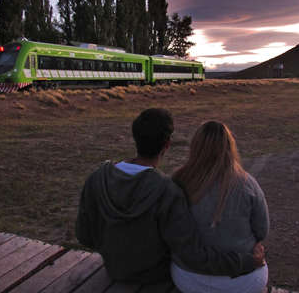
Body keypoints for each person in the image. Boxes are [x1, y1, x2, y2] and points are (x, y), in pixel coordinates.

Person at [76, 109, 264, 284]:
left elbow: (83, 236)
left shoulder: (97, 178)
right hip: (156, 277)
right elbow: (192, 255)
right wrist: (246, 261)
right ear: (167, 145)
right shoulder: (167, 191)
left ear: (135, 138)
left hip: (113, 270)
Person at [171, 120, 269, 293]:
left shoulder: (178, 180)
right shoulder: (247, 183)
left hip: (190, 280)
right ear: (229, 147)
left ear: (196, 147)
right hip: (242, 281)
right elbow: (262, 230)